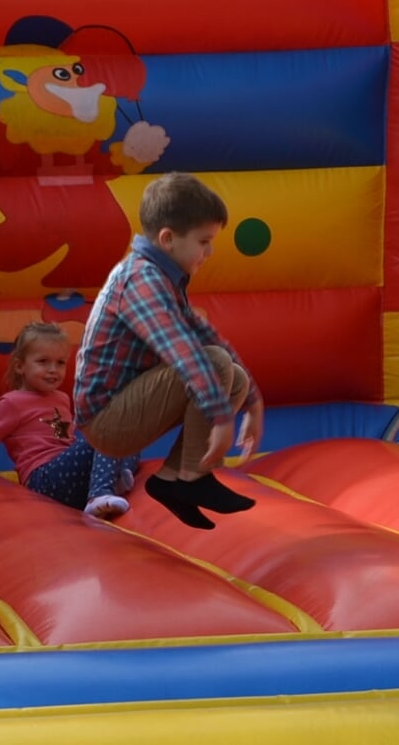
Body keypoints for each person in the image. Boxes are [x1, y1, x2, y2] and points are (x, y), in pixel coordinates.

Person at [75, 172, 266, 530]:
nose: (209, 253)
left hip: (128, 405)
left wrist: (253, 401)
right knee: (212, 364)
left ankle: (173, 481)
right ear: (168, 239)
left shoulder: (165, 277)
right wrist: (223, 418)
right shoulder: (141, 279)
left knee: (233, 377)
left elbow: (204, 332)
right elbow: (182, 351)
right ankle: (193, 478)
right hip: (106, 421)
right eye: (204, 242)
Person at [0, 321, 136, 519]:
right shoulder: (12, 403)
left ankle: (114, 477)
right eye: (43, 361)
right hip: (44, 480)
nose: (53, 370)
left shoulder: (61, 398)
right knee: (106, 432)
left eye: (60, 363)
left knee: (130, 432)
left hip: (66, 478)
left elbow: (61, 440)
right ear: (20, 366)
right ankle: (99, 493)